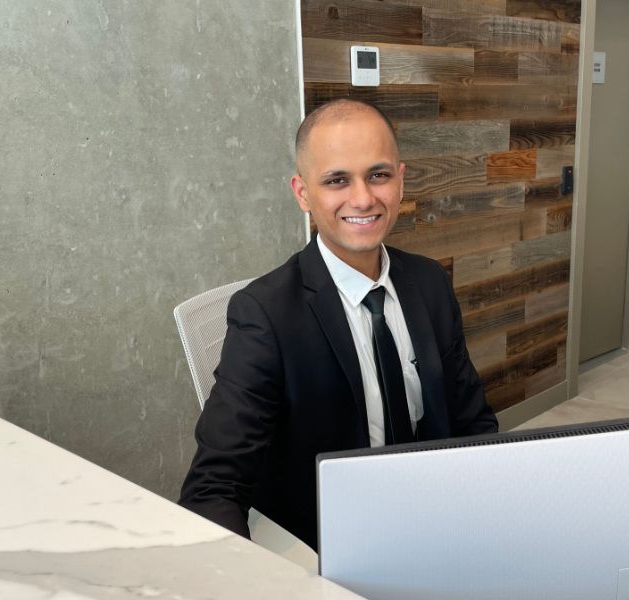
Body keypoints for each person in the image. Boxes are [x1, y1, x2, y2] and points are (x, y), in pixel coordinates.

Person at [179, 99, 498, 550]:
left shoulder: (428, 282)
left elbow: (472, 420)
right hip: (329, 539)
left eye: (379, 175)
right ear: (303, 193)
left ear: (401, 181)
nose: (363, 198)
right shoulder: (264, 315)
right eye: (336, 180)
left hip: (433, 512)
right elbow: (214, 488)